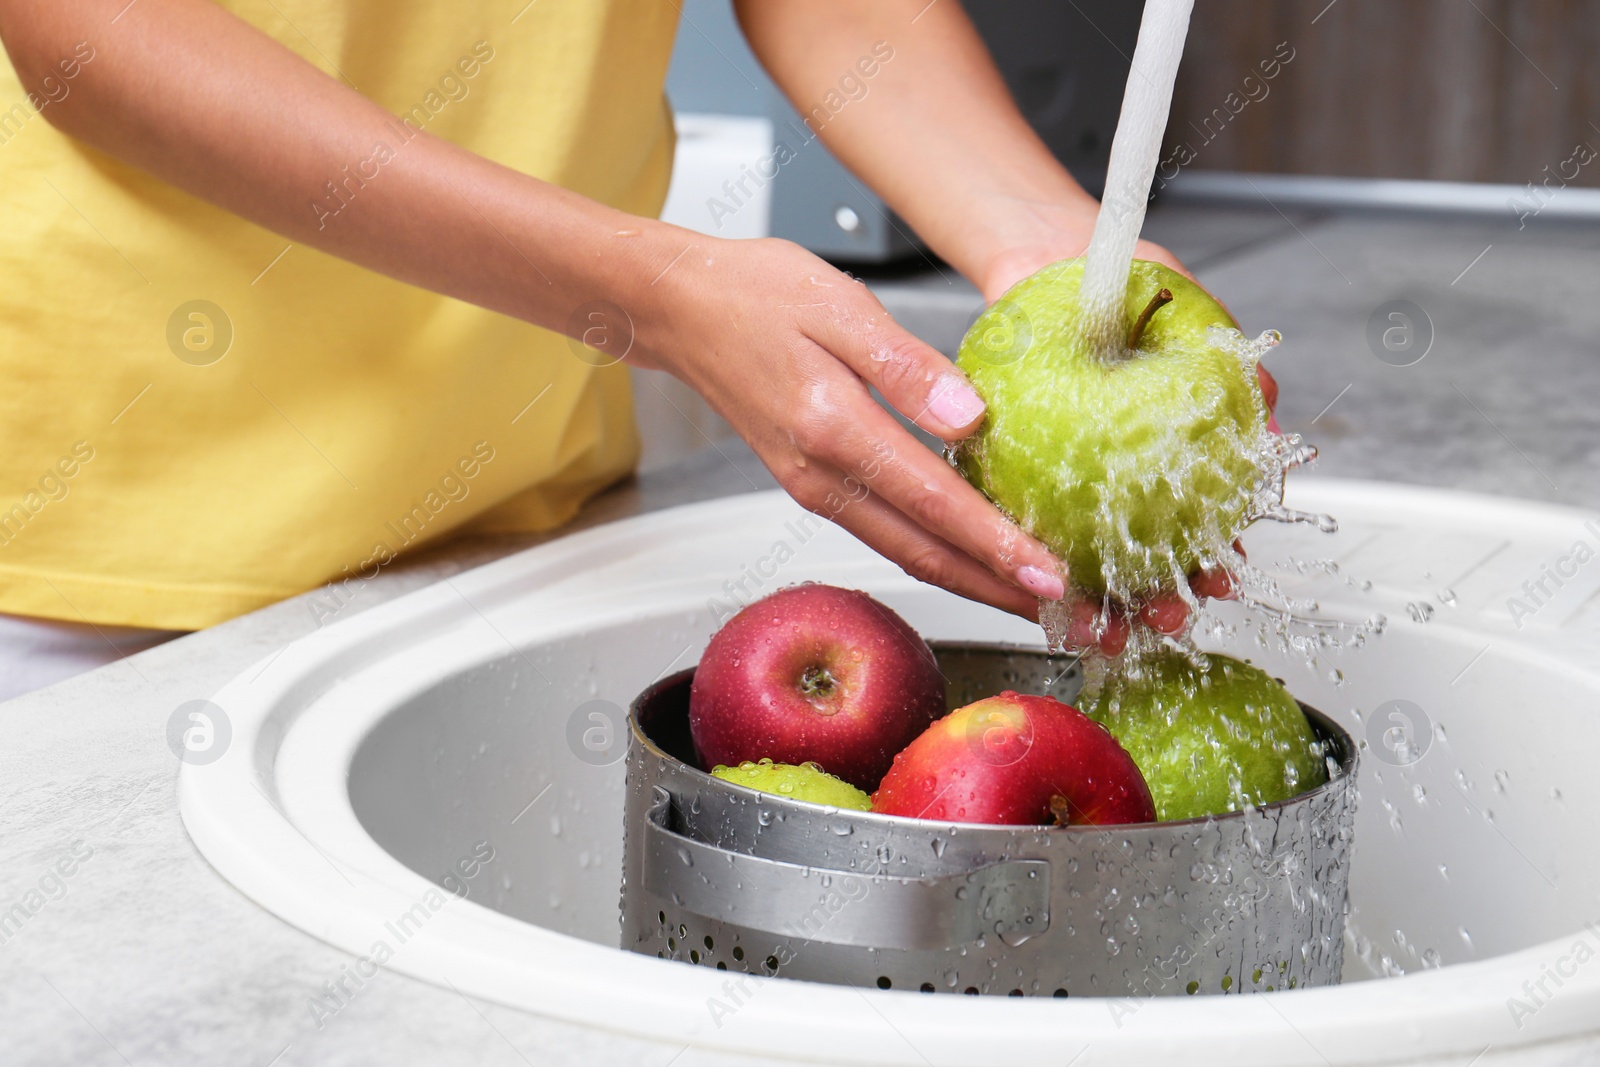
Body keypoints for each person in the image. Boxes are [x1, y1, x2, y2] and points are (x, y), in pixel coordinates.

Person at [0, 0, 1268, 700]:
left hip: (524, 514)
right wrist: (651, 292)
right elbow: (90, 31)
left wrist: (1053, 249)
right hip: (113, 546)